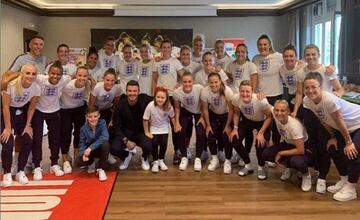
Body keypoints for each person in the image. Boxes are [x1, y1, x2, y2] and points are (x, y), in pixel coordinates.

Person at [303, 72, 360, 201]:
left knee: (352, 153)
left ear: (320, 87)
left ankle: (351, 189)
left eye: (313, 87)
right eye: (307, 87)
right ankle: (344, 180)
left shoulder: (329, 100)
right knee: (333, 148)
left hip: (357, 123)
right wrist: (333, 137)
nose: (310, 90)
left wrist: (349, 142)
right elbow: (324, 119)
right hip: (344, 127)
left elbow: (340, 121)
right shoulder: (307, 101)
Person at [302, 44, 346, 194]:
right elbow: (298, 91)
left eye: (313, 54)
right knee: (312, 143)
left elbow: (340, 89)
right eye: (308, 55)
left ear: (319, 54)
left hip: (326, 112)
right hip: (309, 110)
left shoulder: (327, 70)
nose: (311, 57)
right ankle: (315, 171)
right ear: (304, 56)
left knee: (324, 144)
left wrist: (334, 99)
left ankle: (323, 176)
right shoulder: (302, 70)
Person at [1, 64, 40, 187]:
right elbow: (6, 107)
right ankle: (7, 172)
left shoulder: (36, 88)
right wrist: (8, 128)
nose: (30, 76)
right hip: (6, 112)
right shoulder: (11, 85)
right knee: (8, 142)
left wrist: (28, 125)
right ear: (21, 74)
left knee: (27, 139)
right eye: (27, 73)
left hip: (21, 112)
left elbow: (31, 108)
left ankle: (20, 170)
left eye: (33, 74)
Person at [31, 61, 71, 179]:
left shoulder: (64, 79)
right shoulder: (40, 79)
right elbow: (26, 75)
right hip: (39, 111)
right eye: (52, 73)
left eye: (58, 74)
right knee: (37, 139)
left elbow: (75, 77)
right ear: (48, 73)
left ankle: (54, 164)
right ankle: (37, 166)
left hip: (54, 111)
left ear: (61, 75)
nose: (55, 76)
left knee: (55, 139)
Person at [262, 100, 313, 191]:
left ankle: (306, 174)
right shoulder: (276, 114)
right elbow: (266, 104)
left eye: (282, 111)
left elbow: (300, 150)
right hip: (288, 144)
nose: (279, 113)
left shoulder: (294, 126)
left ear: (288, 112)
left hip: (304, 147)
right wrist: (260, 96)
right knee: (266, 154)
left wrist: (281, 153)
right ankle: (289, 167)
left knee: (296, 161)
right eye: (276, 110)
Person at [229, 80, 272, 179]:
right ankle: (248, 164)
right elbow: (236, 113)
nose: (244, 94)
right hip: (247, 120)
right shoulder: (236, 99)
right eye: (242, 91)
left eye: (247, 91)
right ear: (239, 91)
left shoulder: (260, 100)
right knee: (234, 138)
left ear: (252, 92)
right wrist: (235, 128)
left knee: (259, 143)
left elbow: (269, 117)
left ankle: (261, 167)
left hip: (262, 121)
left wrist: (260, 133)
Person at [152, 39, 184, 164]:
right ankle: (156, 155)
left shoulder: (175, 62)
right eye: (163, 47)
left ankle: (177, 152)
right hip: (160, 96)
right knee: (157, 124)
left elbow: (183, 75)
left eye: (168, 47)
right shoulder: (156, 62)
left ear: (171, 49)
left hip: (172, 96)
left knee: (175, 124)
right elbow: (154, 79)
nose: (165, 49)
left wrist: (179, 84)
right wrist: (153, 94)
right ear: (160, 49)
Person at [111, 80, 152, 170]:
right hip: (125, 133)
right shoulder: (120, 105)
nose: (132, 93)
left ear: (139, 91)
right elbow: (116, 126)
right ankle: (126, 156)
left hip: (140, 132)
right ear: (126, 92)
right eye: (130, 91)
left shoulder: (144, 99)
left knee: (149, 145)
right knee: (114, 148)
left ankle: (144, 157)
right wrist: (126, 141)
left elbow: (159, 99)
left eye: (134, 91)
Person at [252, 34, 283, 157]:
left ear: (270, 44)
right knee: (265, 127)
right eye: (260, 45)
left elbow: (294, 63)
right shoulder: (255, 59)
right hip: (261, 97)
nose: (262, 47)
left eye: (265, 44)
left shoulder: (279, 57)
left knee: (276, 126)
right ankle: (266, 152)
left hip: (275, 95)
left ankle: (275, 151)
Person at [60, 66, 90, 174]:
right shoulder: (67, 85)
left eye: (85, 76)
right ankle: (65, 159)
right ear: (75, 75)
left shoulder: (87, 85)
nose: (82, 78)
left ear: (88, 77)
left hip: (79, 109)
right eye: (80, 75)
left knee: (79, 133)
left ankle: (77, 156)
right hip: (65, 109)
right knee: (65, 133)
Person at [201, 72, 234, 172]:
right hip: (213, 114)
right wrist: (208, 125)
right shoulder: (205, 91)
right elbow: (205, 109)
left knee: (226, 136)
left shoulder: (227, 91)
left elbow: (231, 110)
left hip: (226, 114)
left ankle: (228, 160)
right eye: (211, 82)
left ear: (220, 82)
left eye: (216, 82)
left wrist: (228, 125)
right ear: (208, 83)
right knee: (210, 134)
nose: (214, 85)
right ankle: (214, 158)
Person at [174, 72, 206, 171]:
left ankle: (198, 158)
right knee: (180, 131)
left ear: (193, 82)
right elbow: (177, 108)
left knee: (200, 133)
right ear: (181, 82)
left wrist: (202, 116)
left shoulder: (199, 88)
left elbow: (204, 104)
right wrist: (177, 122)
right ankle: (184, 156)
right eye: (184, 82)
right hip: (185, 111)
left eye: (189, 82)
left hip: (198, 111)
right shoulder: (177, 92)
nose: (187, 84)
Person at [143, 87, 176, 173]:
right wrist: (147, 131)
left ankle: (161, 159)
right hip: (153, 127)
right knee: (154, 143)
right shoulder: (150, 105)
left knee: (164, 143)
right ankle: (155, 161)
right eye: (158, 97)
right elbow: (145, 119)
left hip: (164, 127)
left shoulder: (169, 106)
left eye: (162, 98)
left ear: (166, 98)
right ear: (155, 97)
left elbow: (172, 117)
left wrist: (175, 126)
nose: (160, 99)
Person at [78, 106, 110, 181]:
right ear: (86, 117)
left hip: (100, 148)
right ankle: (91, 163)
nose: (93, 119)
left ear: (99, 116)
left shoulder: (102, 122)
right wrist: (83, 154)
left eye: (95, 116)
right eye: (90, 117)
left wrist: (90, 148)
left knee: (106, 144)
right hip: (91, 152)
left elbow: (105, 137)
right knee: (78, 162)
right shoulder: (83, 128)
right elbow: (82, 143)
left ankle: (101, 168)